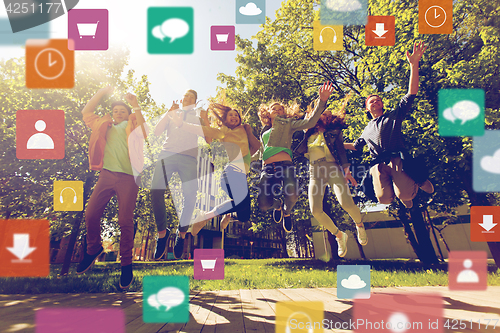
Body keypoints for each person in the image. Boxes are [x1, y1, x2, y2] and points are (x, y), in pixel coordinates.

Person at [344, 41, 433, 209]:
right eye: (371, 101)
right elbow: (356, 146)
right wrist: (336, 144)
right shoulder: (367, 128)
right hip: (378, 164)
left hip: (396, 159)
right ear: (367, 108)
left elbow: (411, 92)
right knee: (384, 199)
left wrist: (414, 65)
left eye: (378, 100)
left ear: (382, 105)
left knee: (404, 194)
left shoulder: (394, 115)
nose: (375, 101)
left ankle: (416, 183)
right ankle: (400, 191)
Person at [77, 86, 146, 290]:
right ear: (111, 114)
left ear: (127, 115)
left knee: (125, 220)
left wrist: (135, 105)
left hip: (129, 178)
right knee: (91, 214)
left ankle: (126, 264)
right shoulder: (102, 124)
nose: (118, 113)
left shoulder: (133, 125)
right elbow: (86, 112)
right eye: (115, 111)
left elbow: (144, 130)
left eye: (122, 111)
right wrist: (100, 93)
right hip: (107, 174)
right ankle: (93, 248)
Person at [169, 103, 261, 239]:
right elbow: (205, 131)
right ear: (224, 119)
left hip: (236, 175)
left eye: (236, 115)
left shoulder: (243, 130)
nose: (234, 117)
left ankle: (221, 214)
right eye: (231, 115)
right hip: (232, 173)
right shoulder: (224, 131)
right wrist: (182, 124)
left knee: (244, 215)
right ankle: (210, 215)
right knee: (241, 204)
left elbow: (256, 147)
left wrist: (249, 132)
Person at [257, 82, 334, 232]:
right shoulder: (264, 132)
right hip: (267, 168)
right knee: (264, 204)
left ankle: (287, 211)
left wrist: (322, 101)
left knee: (293, 195)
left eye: (281, 109)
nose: (278, 110)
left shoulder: (289, 124)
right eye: (274, 109)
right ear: (268, 113)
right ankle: (278, 205)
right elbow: (260, 152)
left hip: (285, 165)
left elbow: (310, 122)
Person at [295, 98, 367, 257]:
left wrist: (346, 170)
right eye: (318, 114)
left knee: (346, 203)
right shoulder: (307, 133)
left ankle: (359, 224)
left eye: (324, 115)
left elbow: (341, 151)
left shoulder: (334, 132)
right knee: (315, 210)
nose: (321, 117)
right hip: (314, 171)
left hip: (332, 168)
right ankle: (339, 235)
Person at [151, 89, 208, 260]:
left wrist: (205, 120)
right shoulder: (172, 113)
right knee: (155, 191)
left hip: (189, 158)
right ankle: (162, 233)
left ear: (195, 102)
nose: (188, 99)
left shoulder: (198, 117)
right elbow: (157, 132)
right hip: (167, 154)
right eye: (186, 96)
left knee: (190, 198)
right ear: (181, 99)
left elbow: (207, 137)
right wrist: (168, 112)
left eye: (192, 97)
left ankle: (181, 234)